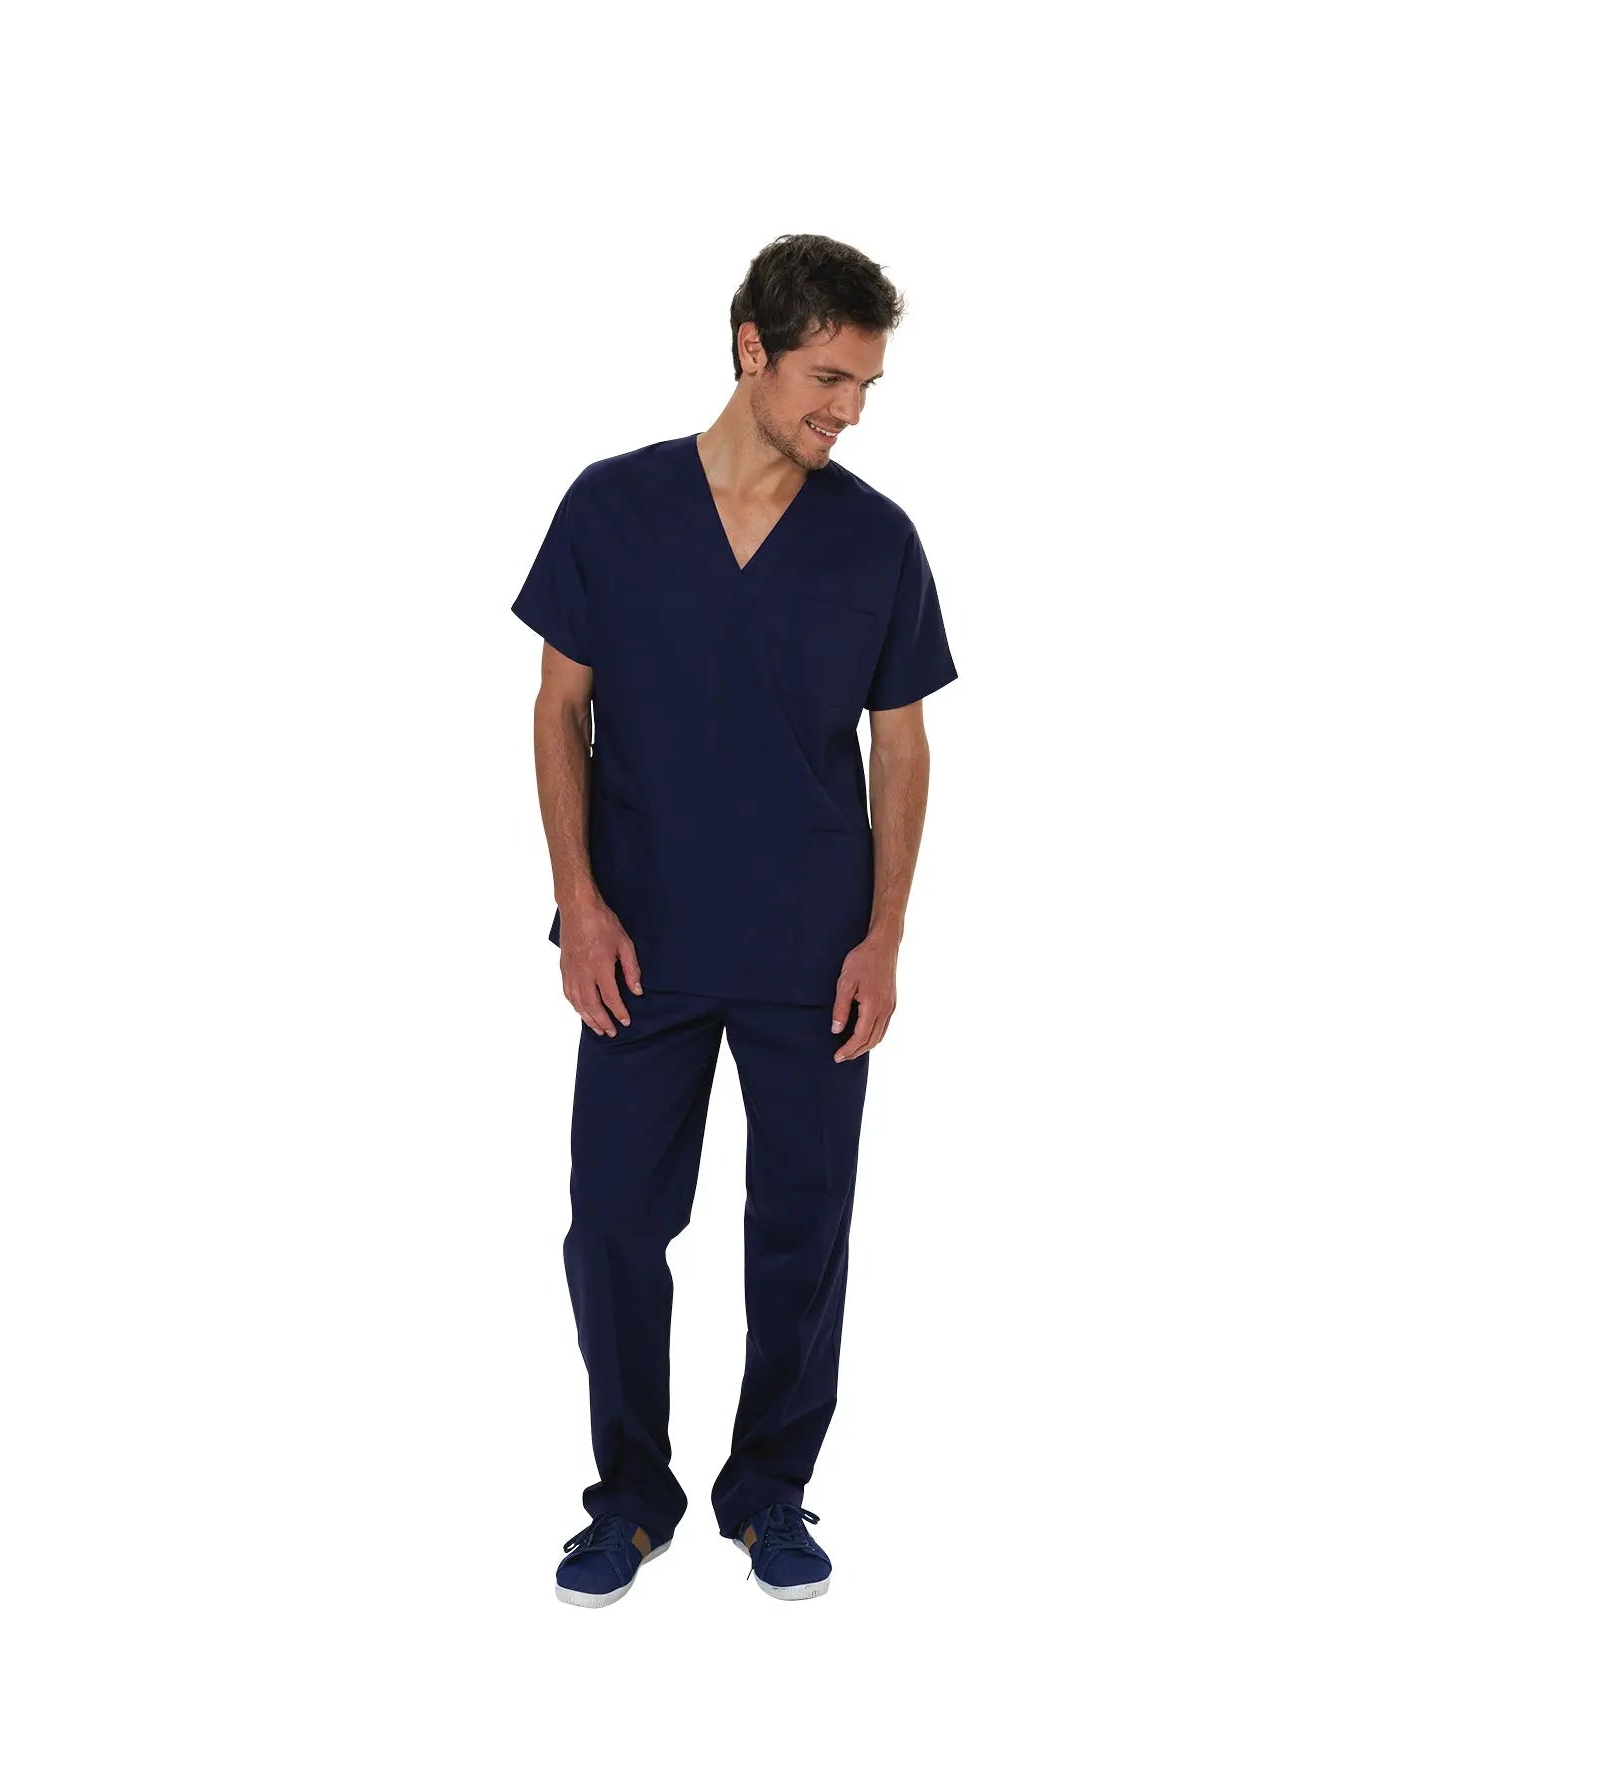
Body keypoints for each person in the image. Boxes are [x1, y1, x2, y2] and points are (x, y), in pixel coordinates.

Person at [510, 234, 959, 1607]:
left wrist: (884, 937)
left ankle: (768, 1492)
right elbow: (559, 708)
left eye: (867, 385)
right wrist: (579, 902)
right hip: (639, 941)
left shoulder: (876, 541)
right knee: (610, 1227)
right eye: (829, 379)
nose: (850, 411)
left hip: (813, 949)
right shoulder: (613, 507)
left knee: (802, 1230)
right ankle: (629, 1499)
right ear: (752, 350)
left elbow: (902, 747)